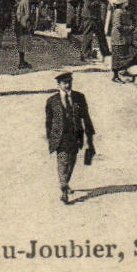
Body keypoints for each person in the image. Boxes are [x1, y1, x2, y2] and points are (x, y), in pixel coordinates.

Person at [44, 71, 96, 204]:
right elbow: (48, 122)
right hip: (60, 137)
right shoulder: (52, 101)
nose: (67, 85)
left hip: (75, 135)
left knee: (71, 162)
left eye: (69, 82)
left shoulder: (79, 97)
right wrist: (51, 137)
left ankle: (65, 183)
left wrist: (90, 135)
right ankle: (63, 188)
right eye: (64, 83)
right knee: (62, 162)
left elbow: (86, 116)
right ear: (58, 85)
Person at [13, 0, 36, 69]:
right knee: (23, 42)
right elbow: (26, 14)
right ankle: (21, 62)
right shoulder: (25, 0)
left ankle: (22, 60)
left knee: (20, 42)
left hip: (18, 23)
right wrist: (26, 23)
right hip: (23, 23)